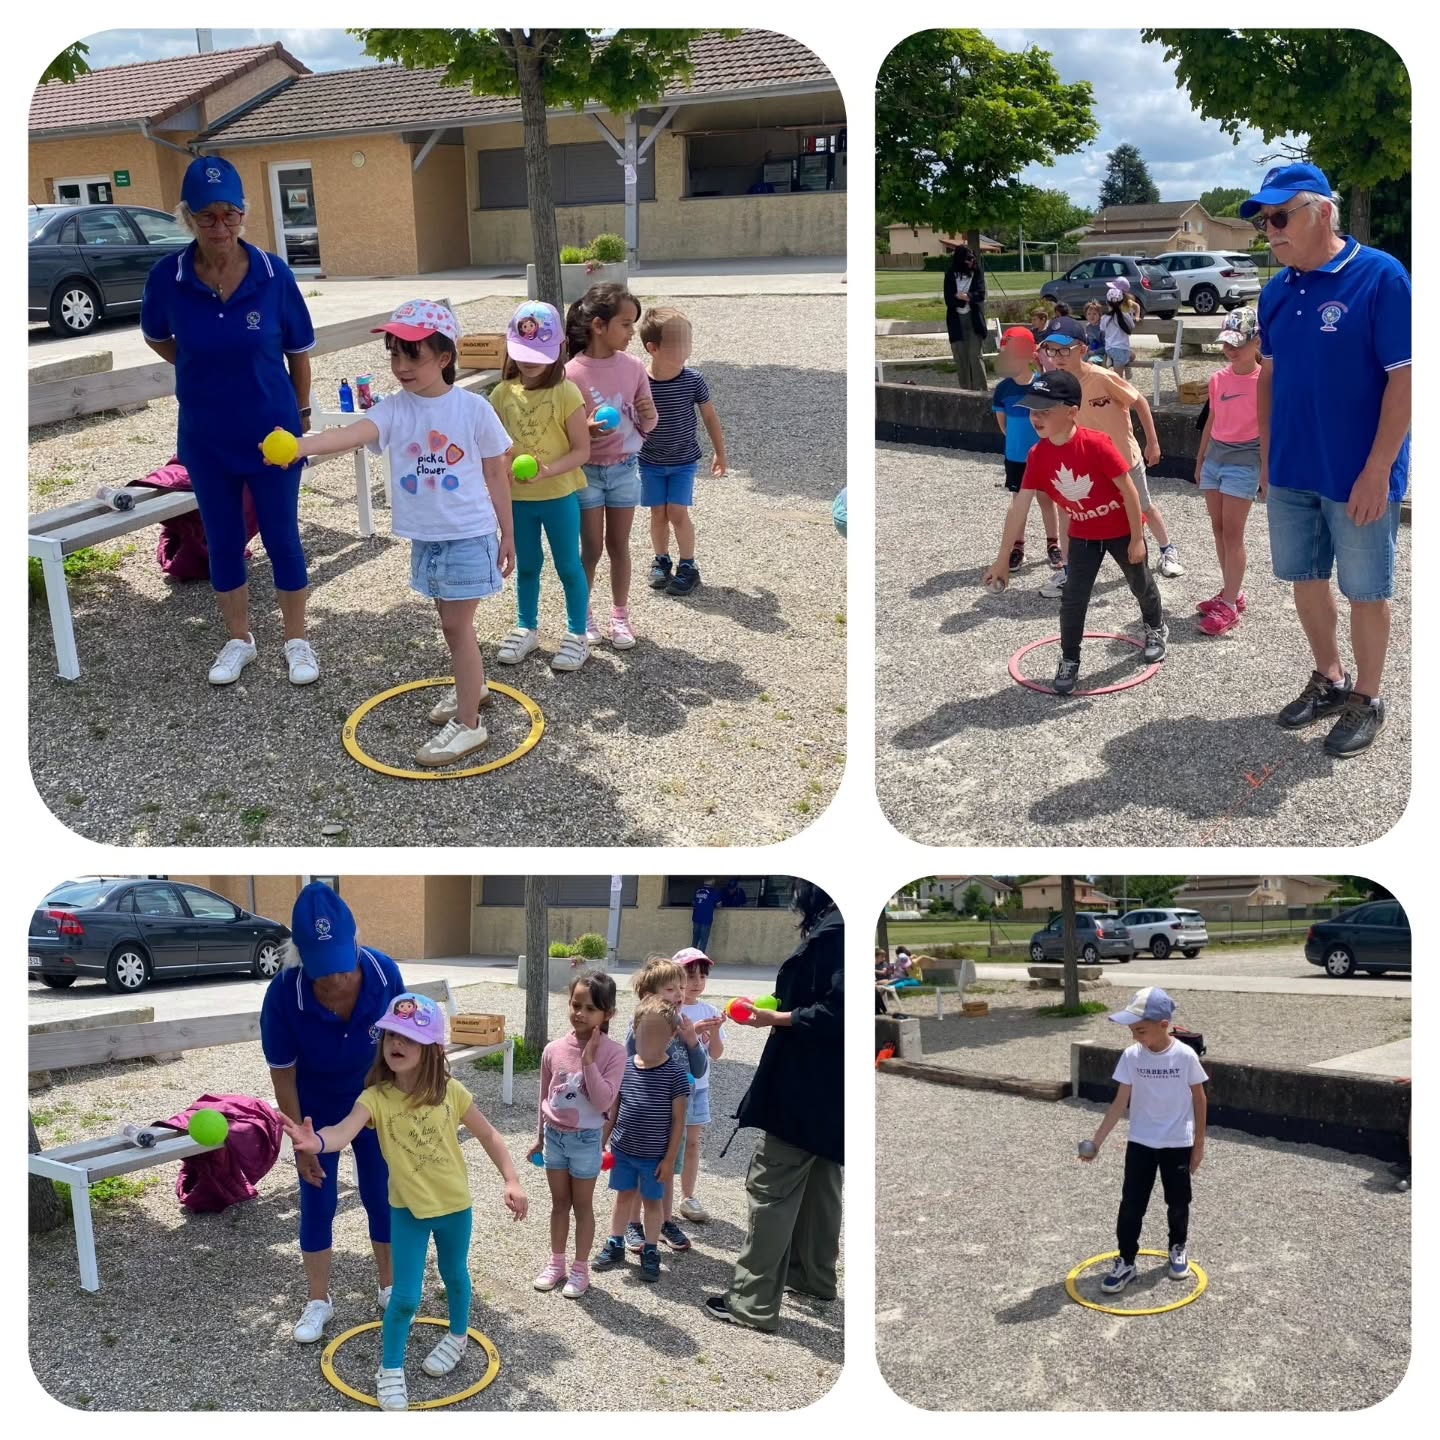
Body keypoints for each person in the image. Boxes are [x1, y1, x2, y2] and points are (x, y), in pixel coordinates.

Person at [277, 300, 515, 766]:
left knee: (455, 625)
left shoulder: (474, 410)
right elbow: (349, 435)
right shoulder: (393, 409)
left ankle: (469, 724)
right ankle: (474, 688)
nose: (400, 366)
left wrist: (509, 534)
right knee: (452, 624)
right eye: (394, 354)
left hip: (469, 533)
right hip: (429, 537)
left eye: (413, 355)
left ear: (444, 358)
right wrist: (300, 446)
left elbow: (496, 476)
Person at [282, 991, 526, 1410]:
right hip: (408, 1212)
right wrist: (317, 1140)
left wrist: (512, 1179)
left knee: (454, 1275)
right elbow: (343, 1131)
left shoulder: (451, 1092)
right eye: (391, 1034)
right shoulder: (375, 1098)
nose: (397, 1043)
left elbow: (489, 1135)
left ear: (430, 1048)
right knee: (406, 1296)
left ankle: (457, 1335)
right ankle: (390, 1366)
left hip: (455, 1207)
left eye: (409, 1038)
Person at [1242, 162, 1411, 757]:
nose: (1272, 230)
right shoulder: (1277, 290)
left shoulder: (1381, 277)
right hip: (1292, 468)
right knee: (1305, 578)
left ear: (1324, 213)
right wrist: (1267, 457)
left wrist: (1378, 468)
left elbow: (1406, 379)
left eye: (1281, 216)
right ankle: (1330, 678)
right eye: (1265, 221)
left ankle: (1367, 697)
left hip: (1356, 470)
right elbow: (1270, 375)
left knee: (1366, 588)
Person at [140, 155, 319, 687]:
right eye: (206, 217)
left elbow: (299, 353)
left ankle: (297, 639)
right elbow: (156, 335)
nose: (219, 227)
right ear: (187, 218)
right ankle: (239, 639)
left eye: (229, 214)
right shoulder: (167, 277)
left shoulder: (272, 273)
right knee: (221, 539)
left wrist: (302, 419)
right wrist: (199, 366)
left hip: (274, 435)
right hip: (206, 436)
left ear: (243, 213)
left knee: (283, 536)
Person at [259, 883, 407, 1346]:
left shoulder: (385, 975)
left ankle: (389, 1287)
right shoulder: (284, 994)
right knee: (317, 1200)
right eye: (323, 973)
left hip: (373, 1104)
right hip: (315, 1112)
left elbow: (403, 1047)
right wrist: (299, 1140)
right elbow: (283, 1075)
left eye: (342, 966)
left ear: (356, 944)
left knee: (380, 1195)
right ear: (301, 959)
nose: (337, 981)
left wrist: (397, 1111)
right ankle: (318, 1300)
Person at [704, 879, 843, 1331]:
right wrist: (773, 1005)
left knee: (771, 1189)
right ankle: (812, 1277)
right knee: (822, 1184)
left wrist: (775, 1018)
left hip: (803, 1088)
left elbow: (838, 1013)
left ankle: (751, 1303)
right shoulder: (847, 927)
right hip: (833, 1095)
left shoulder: (835, 934)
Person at [983, 370, 1167, 695]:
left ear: (1071, 412)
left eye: (1045, 410)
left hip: (1122, 529)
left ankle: (1154, 627)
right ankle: (1069, 658)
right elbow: (1018, 508)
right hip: (1082, 534)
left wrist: (1138, 539)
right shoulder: (1037, 456)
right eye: (1032, 410)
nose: (1036, 417)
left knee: (1140, 583)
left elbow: (1129, 492)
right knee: (1073, 600)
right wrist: (1001, 561)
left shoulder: (1097, 445)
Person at [1080, 987, 1207, 1295]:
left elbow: (1200, 1100)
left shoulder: (1184, 1056)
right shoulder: (1131, 1056)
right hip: (1141, 1142)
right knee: (1131, 1204)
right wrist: (1096, 1142)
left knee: (1178, 1201)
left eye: (1141, 1030)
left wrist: (1199, 1145)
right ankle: (1126, 1261)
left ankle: (1177, 1246)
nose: (1135, 1036)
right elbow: (1119, 1102)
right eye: (1132, 1030)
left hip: (1178, 1141)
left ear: (1164, 1024)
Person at [489, 301, 592, 673]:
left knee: (568, 565)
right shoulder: (501, 394)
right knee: (528, 565)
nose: (530, 361)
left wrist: (547, 471)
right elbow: (493, 447)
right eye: (522, 353)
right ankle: (526, 626)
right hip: (518, 500)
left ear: (559, 351)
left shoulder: (566, 392)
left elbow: (582, 450)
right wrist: (502, 470)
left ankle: (577, 634)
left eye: (539, 353)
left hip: (559, 495)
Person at [1037, 328, 1184, 583]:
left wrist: (1153, 443)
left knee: (1143, 506)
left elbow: (1140, 402)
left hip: (1124, 458)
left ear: (1082, 350)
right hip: (1088, 465)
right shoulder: (1056, 385)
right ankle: (1069, 570)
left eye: (1064, 349)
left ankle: (1167, 550)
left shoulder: (1104, 378)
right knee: (1071, 513)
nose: (1057, 356)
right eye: (1051, 350)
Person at [566, 283, 658, 649]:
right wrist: (583, 431)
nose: (632, 332)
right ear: (598, 326)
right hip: (586, 473)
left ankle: (620, 615)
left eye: (633, 324)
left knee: (619, 545)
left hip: (623, 469)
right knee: (591, 548)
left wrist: (650, 418)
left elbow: (646, 420)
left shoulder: (634, 367)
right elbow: (563, 431)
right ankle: (582, 615)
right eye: (625, 324)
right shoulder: (571, 373)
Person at [531, 971, 626, 1299]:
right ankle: (557, 1263)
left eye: (590, 1008)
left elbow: (604, 1101)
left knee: (582, 1205)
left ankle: (580, 1269)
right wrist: (540, 1136)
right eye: (575, 1004)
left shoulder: (614, 1053)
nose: (580, 1013)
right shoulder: (554, 1048)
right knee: (559, 1204)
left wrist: (588, 1062)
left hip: (586, 1140)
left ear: (608, 1014)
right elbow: (545, 1097)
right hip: (555, 1137)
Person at [608, 957, 710, 1256]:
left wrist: (692, 1041)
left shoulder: (684, 1024)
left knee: (667, 1172)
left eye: (681, 987)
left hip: (673, 1118)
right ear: (650, 996)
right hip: (644, 1119)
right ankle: (633, 1223)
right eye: (670, 988)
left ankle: (665, 1221)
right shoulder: (641, 1027)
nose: (680, 993)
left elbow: (700, 1069)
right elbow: (628, 1066)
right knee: (639, 1174)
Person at [593, 995, 692, 1283]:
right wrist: (602, 1140)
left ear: (672, 1036)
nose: (649, 1038)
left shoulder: (675, 1073)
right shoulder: (625, 1066)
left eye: (658, 1033)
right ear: (635, 1030)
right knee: (623, 1197)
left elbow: (679, 1121)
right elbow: (613, 1109)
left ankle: (650, 1249)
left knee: (652, 1203)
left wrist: (671, 1158)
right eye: (645, 1031)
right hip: (623, 1151)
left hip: (654, 1156)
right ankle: (615, 1242)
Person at [639, 306, 727, 596]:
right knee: (658, 513)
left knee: (677, 511)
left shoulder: (693, 380)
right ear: (653, 348)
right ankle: (661, 559)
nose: (685, 348)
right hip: (650, 461)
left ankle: (688, 565)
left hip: (683, 461)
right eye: (677, 342)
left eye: (687, 340)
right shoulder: (640, 381)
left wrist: (720, 452)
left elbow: (710, 417)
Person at [1193, 307, 1264, 636]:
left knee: (1233, 534)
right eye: (1227, 343)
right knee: (1219, 528)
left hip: (1245, 460)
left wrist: (1266, 470)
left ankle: (1231, 605)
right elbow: (1212, 419)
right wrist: (1201, 457)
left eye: (1238, 343)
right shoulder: (1218, 378)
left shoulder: (1265, 380)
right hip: (1216, 458)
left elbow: (1270, 427)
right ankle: (1231, 592)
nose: (1231, 349)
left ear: (1257, 341)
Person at [992, 327, 1062, 571]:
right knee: (1019, 501)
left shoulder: (1043, 385)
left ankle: (1053, 544)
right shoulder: (1002, 390)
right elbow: (1004, 426)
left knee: (1046, 500)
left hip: (1043, 456)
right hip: (1016, 457)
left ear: (1032, 355)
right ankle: (1017, 546)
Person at [675, 948, 726, 1223]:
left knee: (692, 1142)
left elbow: (715, 1054)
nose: (696, 982)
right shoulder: (671, 1008)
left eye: (702, 976)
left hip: (699, 1087)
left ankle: (687, 1196)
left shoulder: (710, 1010)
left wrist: (715, 1031)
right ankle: (658, 1194)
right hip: (669, 1087)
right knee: (667, 1142)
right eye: (689, 976)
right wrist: (693, 1031)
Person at [944, 245, 989, 391]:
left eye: (972, 259)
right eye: (968, 259)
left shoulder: (977, 273)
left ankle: (981, 391)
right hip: (956, 321)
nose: (971, 262)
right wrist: (967, 298)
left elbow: (980, 294)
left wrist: (966, 296)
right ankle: (965, 391)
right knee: (961, 358)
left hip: (974, 320)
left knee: (974, 356)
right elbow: (949, 300)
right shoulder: (950, 274)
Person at [691, 877, 745, 952]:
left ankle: (690, 958)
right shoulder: (714, 892)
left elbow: (694, 903)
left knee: (695, 939)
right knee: (703, 940)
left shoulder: (697, 891)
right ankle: (700, 960)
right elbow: (719, 905)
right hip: (706, 919)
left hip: (696, 918)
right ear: (713, 883)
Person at [1100, 284, 1138, 378]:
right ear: (1122, 303)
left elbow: (1102, 329)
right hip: (1122, 350)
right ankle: (1117, 391)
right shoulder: (1125, 315)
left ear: (1107, 303)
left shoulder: (1105, 318)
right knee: (1118, 378)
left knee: (1132, 355)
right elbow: (1132, 326)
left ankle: (1112, 359)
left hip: (1109, 349)